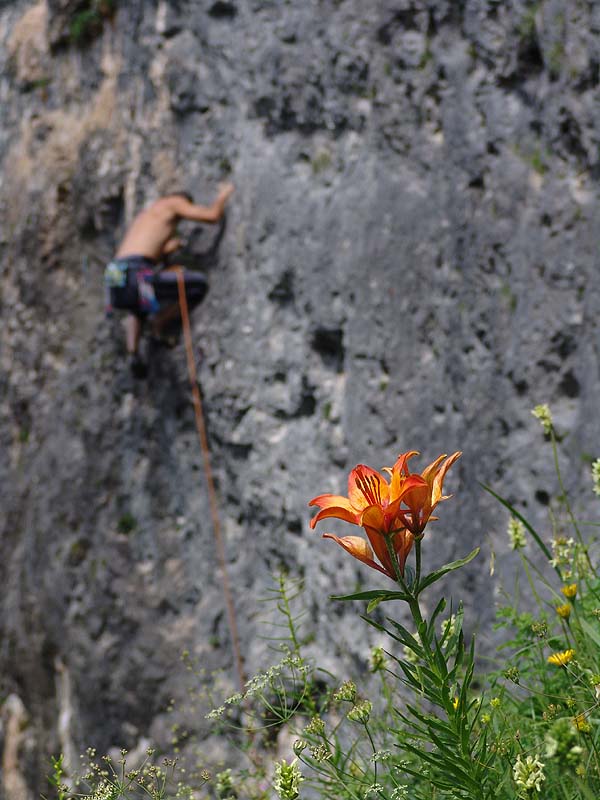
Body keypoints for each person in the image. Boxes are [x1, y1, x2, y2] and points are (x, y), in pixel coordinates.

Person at [105, 184, 234, 377]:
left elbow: (148, 254)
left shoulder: (147, 215)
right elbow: (212, 216)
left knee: (138, 303)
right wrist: (223, 196)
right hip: (135, 270)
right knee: (198, 284)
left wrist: (167, 250)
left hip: (115, 273)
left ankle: (133, 352)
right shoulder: (174, 203)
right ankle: (159, 323)